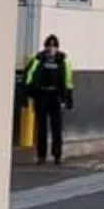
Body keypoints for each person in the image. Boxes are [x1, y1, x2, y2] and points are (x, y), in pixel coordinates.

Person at [23, 34, 74, 165]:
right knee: (41, 129)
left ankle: (57, 155)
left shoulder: (63, 60)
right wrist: (30, 93)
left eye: (54, 46)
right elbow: (28, 76)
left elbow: (68, 80)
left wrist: (67, 98)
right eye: (49, 46)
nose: (51, 49)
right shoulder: (38, 59)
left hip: (56, 97)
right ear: (45, 47)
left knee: (57, 128)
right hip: (42, 96)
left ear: (57, 48)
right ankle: (41, 156)